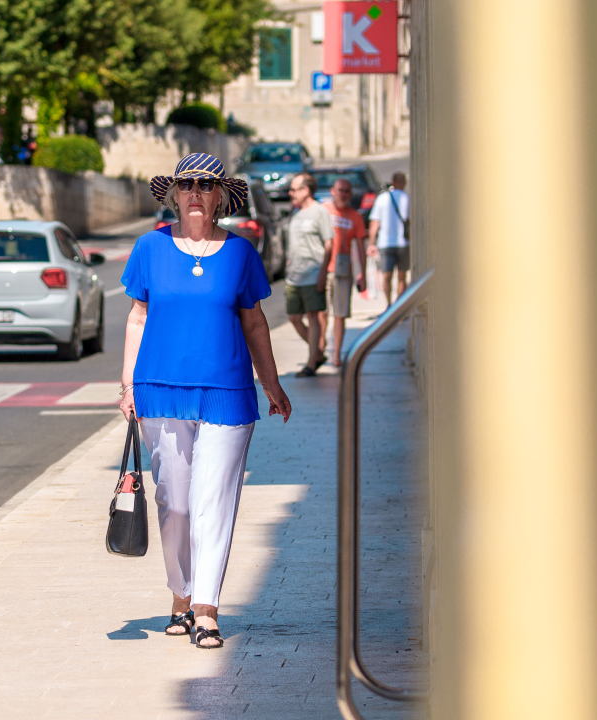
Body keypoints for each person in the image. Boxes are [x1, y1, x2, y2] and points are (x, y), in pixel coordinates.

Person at [121, 153, 292, 650]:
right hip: (161, 389)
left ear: (220, 198)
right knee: (174, 501)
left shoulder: (241, 253)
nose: (196, 192)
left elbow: (255, 322)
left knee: (212, 500)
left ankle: (206, 608)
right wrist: (128, 385)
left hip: (227, 394)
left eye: (206, 185)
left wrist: (272, 384)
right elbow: (137, 318)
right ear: (174, 194)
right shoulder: (150, 247)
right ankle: (181, 593)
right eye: (187, 184)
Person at [285, 172, 334, 376]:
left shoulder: (319, 212)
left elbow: (329, 243)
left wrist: (323, 272)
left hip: (313, 273)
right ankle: (318, 352)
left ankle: (311, 363)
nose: (290, 193)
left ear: (306, 190)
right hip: (293, 276)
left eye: (294, 189)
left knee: (313, 317)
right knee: (294, 317)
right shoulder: (295, 213)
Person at [323, 178, 367, 366]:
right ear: (333, 191)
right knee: (321, 313)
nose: (344, 195)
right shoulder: (323, 210)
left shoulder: (355, 216)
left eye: (347, 191)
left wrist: (362, 274)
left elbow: (361, 247)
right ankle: (319, 347)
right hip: (322, 270)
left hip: (343, 271)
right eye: (341, 190)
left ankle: (336, 354)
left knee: (339, 315)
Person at [367, 171, 411, 306]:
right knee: (402, 277)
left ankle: (388, 304)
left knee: (387, 276)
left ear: (393, 182)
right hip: (403, 243)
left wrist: (371, 243)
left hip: (385, 243)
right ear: (404, 183)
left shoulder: (382, 198)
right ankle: (399, 305)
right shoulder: (407, 198)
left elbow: (375, 223)